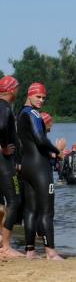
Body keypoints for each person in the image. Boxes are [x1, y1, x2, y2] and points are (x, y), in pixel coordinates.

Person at [17, 82, 64, 260]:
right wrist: (57, 151)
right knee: (47, 212)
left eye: (44, 98)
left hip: (27, 166)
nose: (41, 100)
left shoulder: (21, 113)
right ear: (29, 95)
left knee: (30, 210)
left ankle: (30, 250)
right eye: (38, 96)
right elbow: (40, 138)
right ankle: (50, 251)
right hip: (40, 167)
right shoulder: (34, 113)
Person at [0, 75, 24, 258]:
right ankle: (6, 246)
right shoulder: (5, 107)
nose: (18, 90)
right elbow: (1, 127)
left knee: (2, 204)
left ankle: (2, 240)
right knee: (14, 201)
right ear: (10, 89)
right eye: (17, 87)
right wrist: (4, 147)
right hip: (3, 161)